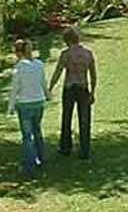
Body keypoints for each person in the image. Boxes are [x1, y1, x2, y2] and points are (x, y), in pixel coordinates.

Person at [49, 27, 97, 160]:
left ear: (67, 40)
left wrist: (51, 87)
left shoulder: (66, 54)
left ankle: (65, 147)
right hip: (83, 87)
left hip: (70, 87)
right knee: (84, 119)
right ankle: (85, 149)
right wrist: (92, 92)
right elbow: (93, 75)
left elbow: (58, 71)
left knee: (67, 117)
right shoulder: (88, 54)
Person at [7, 39, 50, 177]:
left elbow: (15, 89)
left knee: (27, 136)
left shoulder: (20, 67)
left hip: (25, 104)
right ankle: (41, 158)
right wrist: (47, 95)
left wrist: (11, 107)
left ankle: (29, 165)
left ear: (19, 53)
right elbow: (43, 82)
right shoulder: (39, 64)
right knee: (37, 131)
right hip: (38, 102)